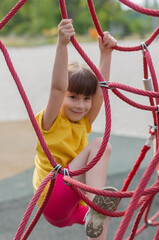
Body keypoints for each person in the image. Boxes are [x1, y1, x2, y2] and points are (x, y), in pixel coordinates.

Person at [33, 19, 118, 239]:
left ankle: (97, 211)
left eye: (85, 99)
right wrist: (62, 44)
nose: (80, 105)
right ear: (63, 97)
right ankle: (96, 199)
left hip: (74, 207)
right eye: (73, 97)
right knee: (101, 146)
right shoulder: (50, 121)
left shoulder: (83, 121)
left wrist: (106, 54)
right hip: (53, 197)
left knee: (102, 216)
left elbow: (101, 93)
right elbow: (57, 88)